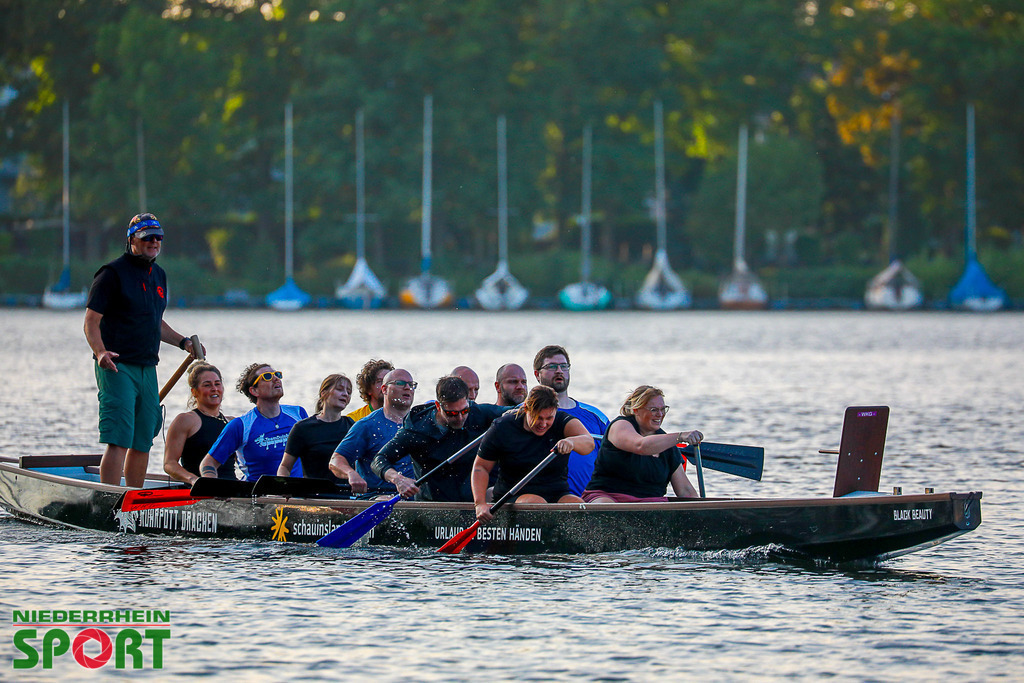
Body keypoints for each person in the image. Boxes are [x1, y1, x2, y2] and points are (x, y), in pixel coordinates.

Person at [84, 213, 200, 487]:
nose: (154, 242)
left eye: (158, 237)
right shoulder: (111, 274)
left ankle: (134, 499)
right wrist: (101, 352)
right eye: (147, 237)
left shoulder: (159, 275)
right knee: (119, 437)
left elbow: (154, 322)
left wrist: (184, 342)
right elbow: (91, 321)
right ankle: (110, 498)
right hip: (116, 365)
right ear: (132, 239)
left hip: (148, 367)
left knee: (144, 436)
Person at [371, 376, 509, 502]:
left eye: (464, 411)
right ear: (438, 406)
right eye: (452, 414)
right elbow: (380, 459)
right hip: (435, 505)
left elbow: (517, 412)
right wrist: (398, 479)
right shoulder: (416, 430)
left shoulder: (478, 412)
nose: (460, 418)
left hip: (473, 502)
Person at [471, 385, 594, 522]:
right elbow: (481, 467)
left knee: (578, 506)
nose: (543, 423)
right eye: (538, 417)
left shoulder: (563, 421)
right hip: (514, 494)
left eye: (549, 418)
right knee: (537, 504)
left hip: (556, 492)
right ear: (526, 410)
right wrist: (480, 504)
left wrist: (572, 442)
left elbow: (589, 443)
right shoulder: (503, 427)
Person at [583, 386, 702, 502]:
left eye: (663, 409)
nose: (660, 414)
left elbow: (685, 491)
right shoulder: (620, 426)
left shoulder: (667, 442)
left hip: (651, 505)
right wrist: (680, 436)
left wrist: (702, 514)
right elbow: (641, 446)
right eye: (654, 410)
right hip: (609, 497)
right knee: (606, 506)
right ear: (636, 410)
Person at [199, 363, 307, 481]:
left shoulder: (298, 414)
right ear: (254, 390)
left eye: (277, 374)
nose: (276, 379)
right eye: (267, 377)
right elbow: (208, 463)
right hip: (257, 496)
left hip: (297, 496)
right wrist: (211, 485)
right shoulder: (240, 426)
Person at [533, 344, 609, 496]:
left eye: (564, 366)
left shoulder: (595, 415)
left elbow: (614, 459)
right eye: (552, 366)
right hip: (539, 498)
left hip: (588, 502)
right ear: (537, 374)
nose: (559, 371)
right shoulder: (522, 413)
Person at [329, 368, 417, 493]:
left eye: (411, 385)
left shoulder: (421, 424)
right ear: (384, 389)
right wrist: (351, 474)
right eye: (400, 383)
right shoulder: (366, 425)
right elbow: (336, 460)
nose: (408, 388)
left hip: (416, 500)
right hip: (377, 498)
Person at [163, 362, 236, 485]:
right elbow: (169, 464)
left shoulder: (233, 422)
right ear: (194, 392)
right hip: (199, 490)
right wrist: (193, 480)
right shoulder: (185, 420)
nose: (214, 388)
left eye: (217, 384)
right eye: (207, 385)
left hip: (232, 490)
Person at [277, 374, 355, 483]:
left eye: (349, 392)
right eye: (339, 389)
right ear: (323, 393)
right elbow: (285, 467)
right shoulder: (303, 428)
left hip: (347, 496)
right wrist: (283, 487)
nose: (345, 394)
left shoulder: (352, 426)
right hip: (314, 495)